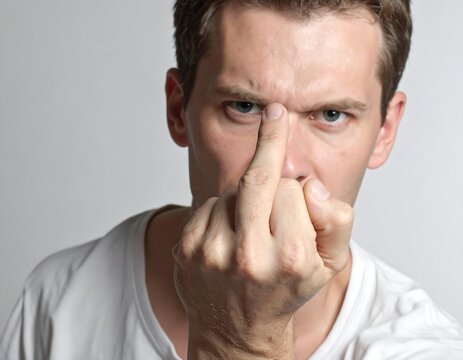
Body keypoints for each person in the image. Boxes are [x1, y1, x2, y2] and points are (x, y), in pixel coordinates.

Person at [1, 0, 463, 359]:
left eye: (331, 114)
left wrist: (246, 345)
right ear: (178, 109)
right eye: (244, 107)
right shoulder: (58, 301)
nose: (281, 166)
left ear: (385, 131)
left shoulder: (427, 348)